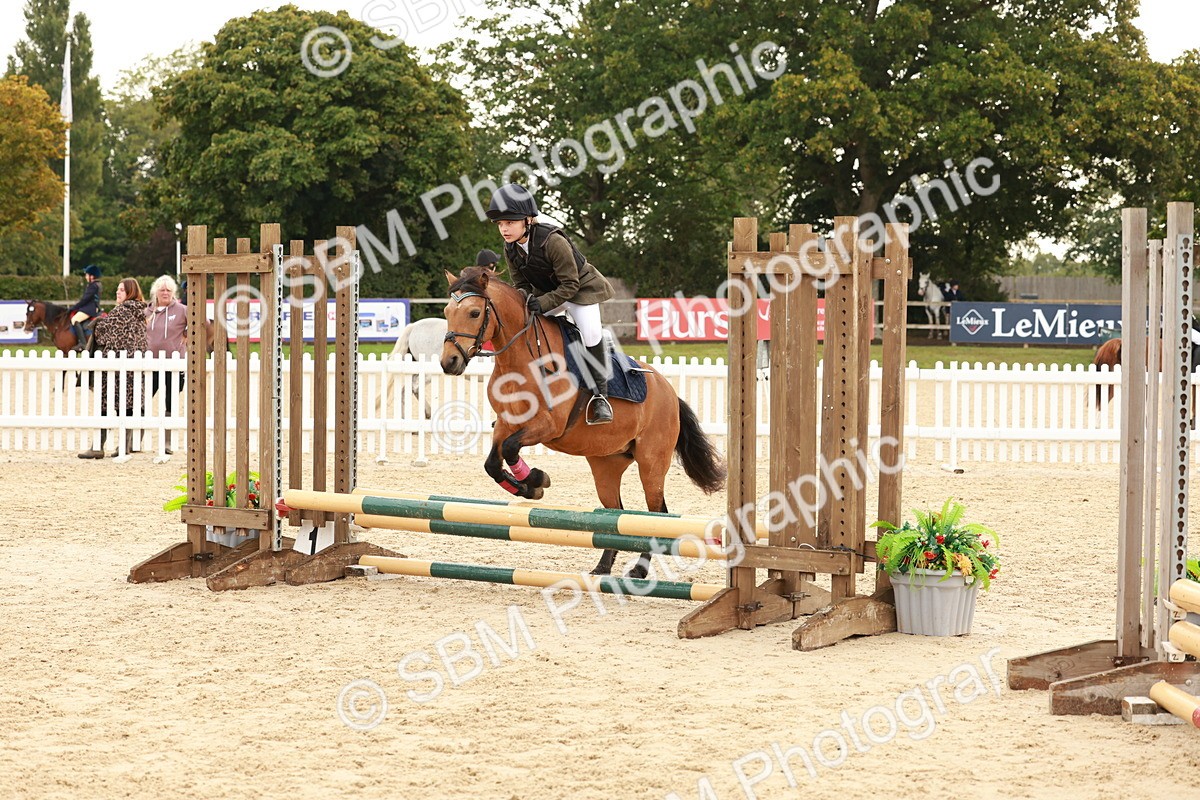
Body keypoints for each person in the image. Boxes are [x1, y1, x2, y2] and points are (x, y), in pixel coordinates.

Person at [485, 183, 616, 424]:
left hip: (579, 292)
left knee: (590, 335)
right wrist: (524, 301)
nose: (504, 229)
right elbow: (521, 283)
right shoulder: (510, 247)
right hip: (549, 294)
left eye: (510, 223)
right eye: (501, 224)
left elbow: (570, 285)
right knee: (526, 325)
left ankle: (600, 397)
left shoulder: (552, 241)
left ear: (527, 220)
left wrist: (541, 303)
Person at [78, 278, 149, 459]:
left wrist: (99, 323)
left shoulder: (120, 311)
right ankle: (124, 446)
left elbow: (103, 336)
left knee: (106, 405)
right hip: (134, 367)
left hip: (115, 367)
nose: (118, 293)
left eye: (122, 290)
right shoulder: (142, 312)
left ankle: (98, 446)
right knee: (128, 407)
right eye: (117, 289)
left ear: (130, 292)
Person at [145, 275, 187, 454]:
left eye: (169, 290)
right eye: (162, 290)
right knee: (142, 401)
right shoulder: (147, 311)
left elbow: (203, 324)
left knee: (170, 402)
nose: (165, 293)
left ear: (173, 293)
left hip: (174, 365)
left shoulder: (182, 310)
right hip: (150, 364)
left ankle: (167, 442)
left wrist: (187, 336)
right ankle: (133, 440)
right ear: (155, 291)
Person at [68, 265, 102, 351]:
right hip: (91, 307)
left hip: (89, 309)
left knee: (74, 320)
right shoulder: (97, 284)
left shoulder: (93, 286)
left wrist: (74, 308)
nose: (85, 276)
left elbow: (85, 299)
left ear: (92, 276)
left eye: (87, 275)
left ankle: (83, 343)